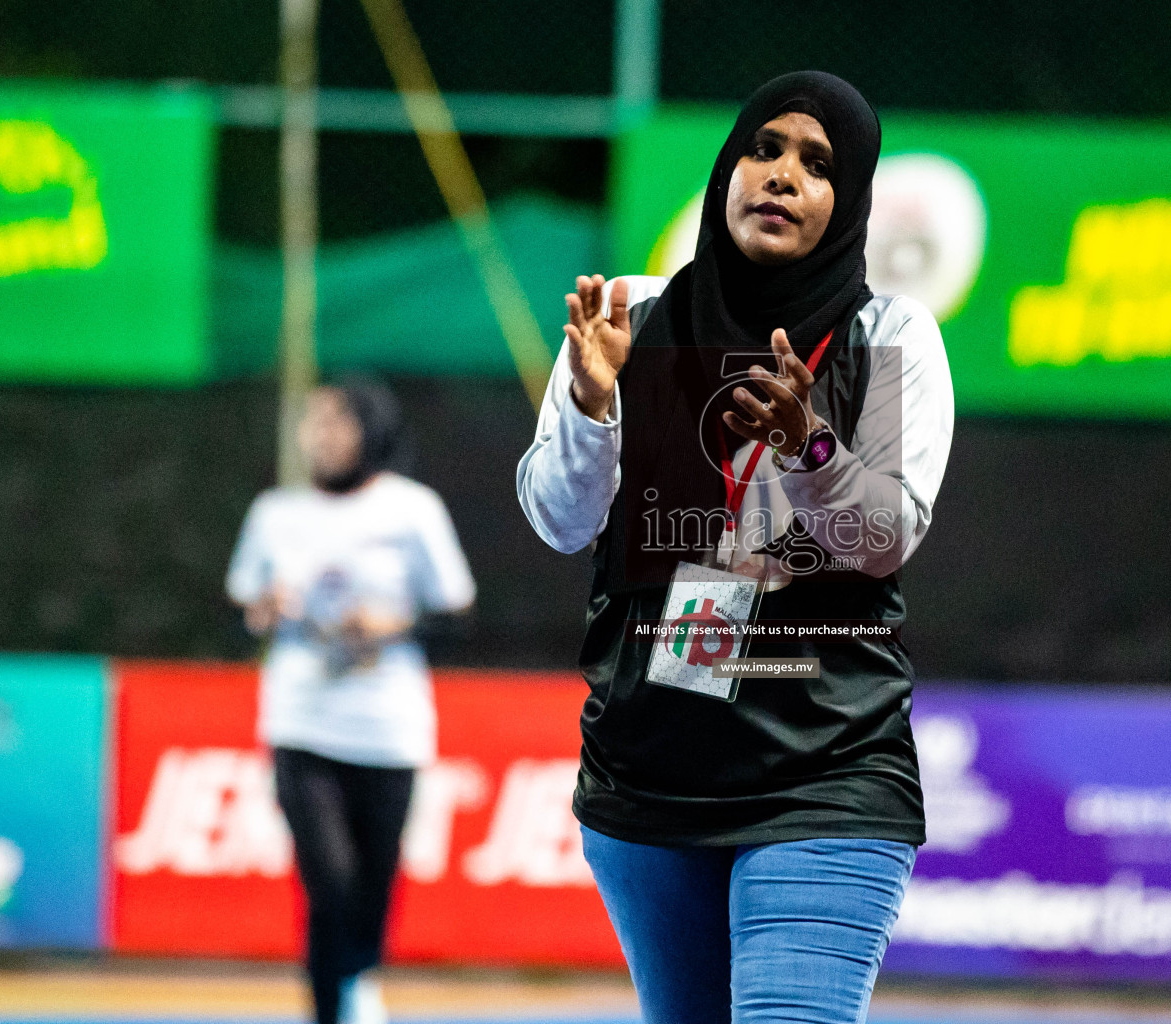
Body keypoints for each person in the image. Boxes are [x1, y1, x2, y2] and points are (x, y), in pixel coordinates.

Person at [516, 71, 954, 1023]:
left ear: (853, 204)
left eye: (818, 164)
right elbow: (559, 518)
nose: (783, 176)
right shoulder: (627, 317)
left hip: (825, 768)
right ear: (726, 170)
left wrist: (810, 448)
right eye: (765, 148)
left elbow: (882, 541)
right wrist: (594, 408)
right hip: (649, 774)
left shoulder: (891, 337)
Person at [227, 378, 476, 1024]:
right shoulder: (274, 514)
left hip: (388, 726)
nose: (322, 435)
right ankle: (331, 1006)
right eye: (312, 423)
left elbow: (457, 612)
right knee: (327, 882)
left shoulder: (411, 509)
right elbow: (240, 611)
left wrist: (391, 623)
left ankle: (359, 974)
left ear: (370, 429)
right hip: (302, 720)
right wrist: (264, 610)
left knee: (372, 885)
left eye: (337, 421)